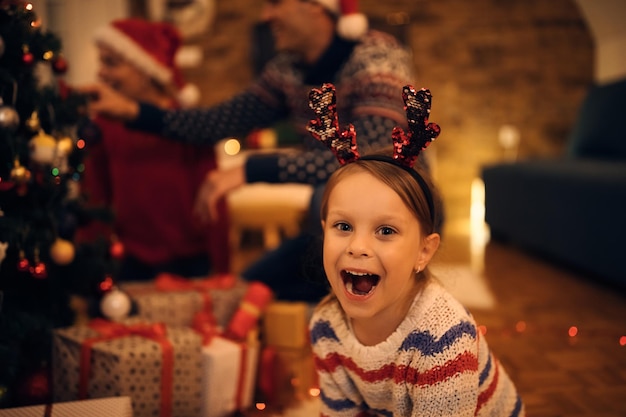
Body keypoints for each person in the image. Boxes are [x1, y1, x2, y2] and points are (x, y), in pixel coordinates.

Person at [81, 0, 419, 300]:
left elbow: (367, 158)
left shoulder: (377, 58)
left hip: (399, 208)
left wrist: (247, 171)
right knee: (244, 291)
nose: (265, 15)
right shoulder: (287, 70)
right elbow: (215, 122)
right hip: (336, 219)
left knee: (326, 206)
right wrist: (132, 112)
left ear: (315, 6)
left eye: (274, 3)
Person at [308, 84, 525, 416]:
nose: (358, 247)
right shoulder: (325, 326)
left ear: (424, 252)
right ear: (324, 232)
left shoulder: (443, 338)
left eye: (385, 230)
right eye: (343, 226)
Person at [79, 18, 230, 281]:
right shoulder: (103, 126)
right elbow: (95, 197)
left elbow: (214, 203)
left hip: (191, 262)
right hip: (130, 261)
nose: (101, 73)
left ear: (145, 70)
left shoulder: (189, 123)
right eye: (101, 62)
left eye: (111, 63)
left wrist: (222, 268)